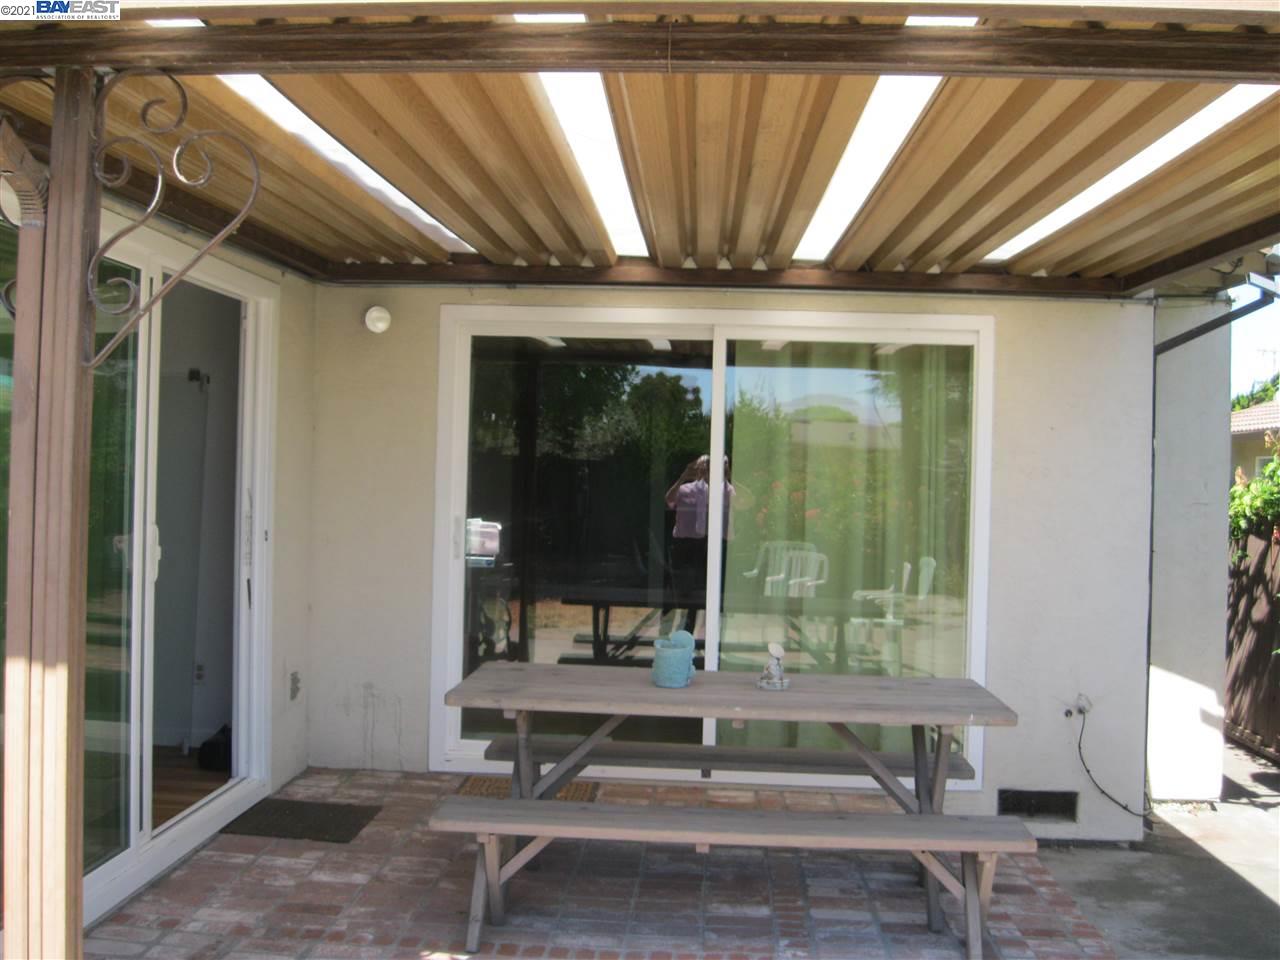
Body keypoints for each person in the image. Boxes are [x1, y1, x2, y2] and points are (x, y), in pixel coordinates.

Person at [664, 455, 733, 632]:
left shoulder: (723, 489)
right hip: (685, 546)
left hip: (707, 544)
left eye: (708, 467)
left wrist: (727, 476)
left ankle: (702, 627)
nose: (704, 470)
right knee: (685, 590)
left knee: (707, 589)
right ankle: (682, 626)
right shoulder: (686, 489)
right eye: (701, 467)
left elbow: (745, 503)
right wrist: (682, 477)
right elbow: (669, 500)